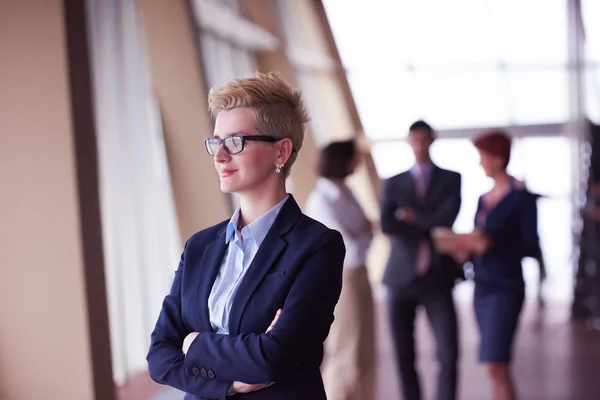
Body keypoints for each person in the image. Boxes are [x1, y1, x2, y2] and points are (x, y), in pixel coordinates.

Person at [146, 72, 346, 400]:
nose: (220, 155)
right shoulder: (200, 247)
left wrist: (194, 342)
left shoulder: (317, 246)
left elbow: (273, 358)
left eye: (236, 142)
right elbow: (159, 356)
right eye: (216, 142)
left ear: (281, 152)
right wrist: (228, 384)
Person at [451, 131, 538, 400]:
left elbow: (530, 245)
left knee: (495, 363)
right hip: (482, 286)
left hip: (506, 287)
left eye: (484, 157)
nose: (481, 164)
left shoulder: (521, 199)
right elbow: (480, 238)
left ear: (499, 159)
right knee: (494, 365)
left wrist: (493, 244)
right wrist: (467, 250)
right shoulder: (483, 199)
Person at [380, 120, 462, 400]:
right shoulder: (393, 182)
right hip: (399, 278)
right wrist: (429, 218)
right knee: (404, 355)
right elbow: (387, 225)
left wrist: (411, 215)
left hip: (438, 276)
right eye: (415, 139)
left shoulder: (452, 178)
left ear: (432, 140)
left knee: (449, 354)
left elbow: (448, 218)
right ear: (409, 141)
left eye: (425, 139)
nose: (420, 145)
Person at [305, 140, 375, 400]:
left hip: (359, 272)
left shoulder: (346, 192)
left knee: (365, 351)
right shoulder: (322, 200)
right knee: (345, 349)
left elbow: (367, 232)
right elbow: (351, 245)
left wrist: (363, 234)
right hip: (341, 277)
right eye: (354, 158)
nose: (357, 163)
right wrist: (362, 233)